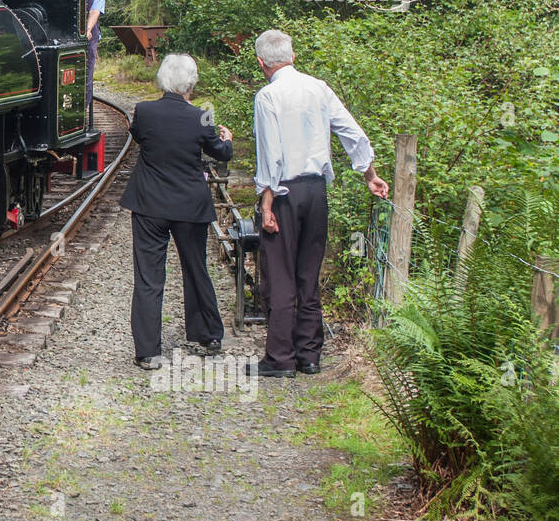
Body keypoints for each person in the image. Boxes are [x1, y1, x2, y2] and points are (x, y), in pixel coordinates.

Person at [248, 29, 390, 378]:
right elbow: (352, 132)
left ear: (261, 62)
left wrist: (266, 205)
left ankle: (279, 358)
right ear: (293, 57)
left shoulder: (267, 97)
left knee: (279, 274)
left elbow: (271, 156)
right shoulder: (319, 88)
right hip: (316, 192)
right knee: (308, 273)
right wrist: (370, 174)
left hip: (284, 193)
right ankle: (309, 356)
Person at [120, 53, 233, 369]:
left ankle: (147, 351)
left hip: (149, 204)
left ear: (162, 80)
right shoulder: (203, 116)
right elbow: (220, 151)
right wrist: (228, 140)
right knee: (196, 268)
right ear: (191, 83)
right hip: (189, 205)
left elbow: (139, 137)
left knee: (148, 276)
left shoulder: (144, 111)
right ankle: (208, 335)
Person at [83, 0, 115, 127]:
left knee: (87, 73)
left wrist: (87, 29)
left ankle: (83, 112)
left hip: (90, 32)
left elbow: (95, 10)